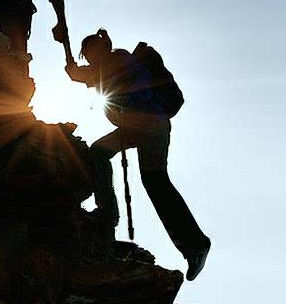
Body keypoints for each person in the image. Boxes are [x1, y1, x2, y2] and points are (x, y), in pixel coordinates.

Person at [66, 29, 211, 281]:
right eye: (87, 54)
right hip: (133, 127)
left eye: (91, 51)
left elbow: (138, 84)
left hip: (152, 124)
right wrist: (66, 50)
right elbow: (75, 74)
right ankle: (108, 214)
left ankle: (195, 245)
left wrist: (127, 99)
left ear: (102, 48)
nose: (90, 57)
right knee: (99, 152)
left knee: (155, 181)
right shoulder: (101, 68)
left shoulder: (120, 59)